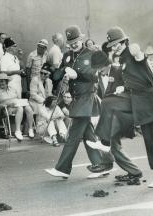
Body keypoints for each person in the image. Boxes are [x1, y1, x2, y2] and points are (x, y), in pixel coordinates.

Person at [86, 26, 153, 188]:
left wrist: (134, 49)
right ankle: (105, 141)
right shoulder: (121, 59)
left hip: (146, 101)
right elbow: (132, 78)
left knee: (149, 138)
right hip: (133, 97)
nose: (115, 47)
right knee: (109, 102)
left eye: (117, 43)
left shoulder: (132, 54)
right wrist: (123, 88)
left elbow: (138, 53)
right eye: (112, 45)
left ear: (124, 41)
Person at [45, 25, 114, 178]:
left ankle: (62, 168)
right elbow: (59, 73)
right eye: (71, 42)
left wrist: (77, 75)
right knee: (88, 134)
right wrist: (58, 73)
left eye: (76, 41)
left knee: (74, 135)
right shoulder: (68, 55)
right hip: (76, 99)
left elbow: (95, 76)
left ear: (81, 39)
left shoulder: (92, 54)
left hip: (87, 98)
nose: (74, 44)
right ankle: (101, 164)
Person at [0, 73, 35, 140]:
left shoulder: (13, 89)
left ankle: (30, 129)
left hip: (16, 105)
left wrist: (23, 102)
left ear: (6, 81)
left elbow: (19, 99)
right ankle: (18, 131)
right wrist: (8, 104)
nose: (0, 83)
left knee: (28, 108)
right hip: (7, 109)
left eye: (2, 81)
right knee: (20, 109)